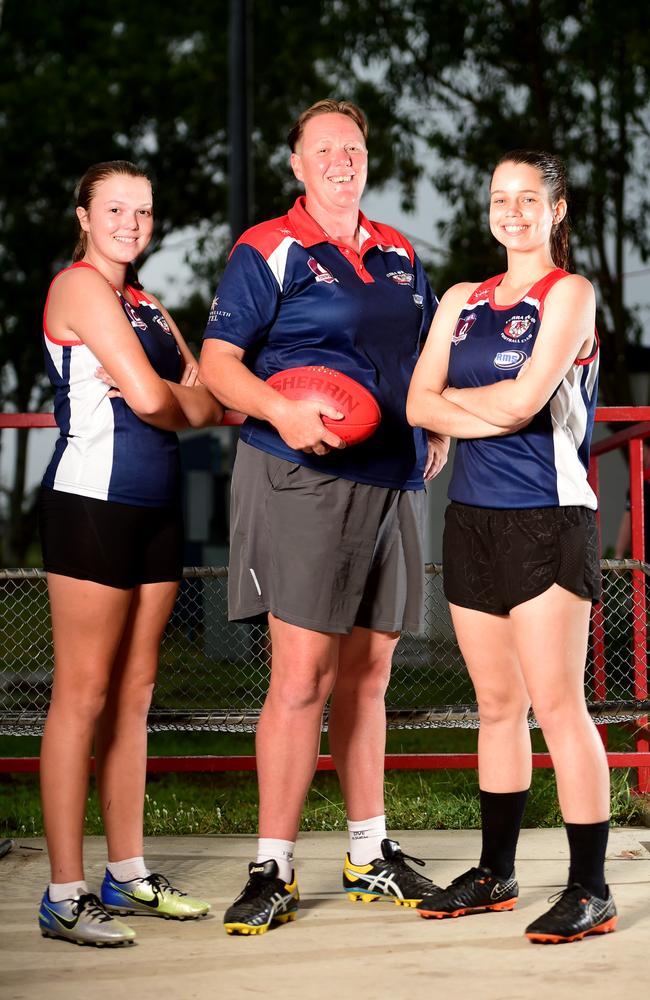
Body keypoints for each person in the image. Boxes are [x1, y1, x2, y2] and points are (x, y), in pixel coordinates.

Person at [199, 99, 448, 935]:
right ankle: (273, 863)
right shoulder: (268, 248)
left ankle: (369, 852)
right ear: (299, 165)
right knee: (301, 679)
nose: (342, 159)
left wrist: (434, 420)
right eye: (324, 149)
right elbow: (218, 364)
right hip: (302, 474)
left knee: (368, 676)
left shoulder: (400, 252)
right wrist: (280, 410)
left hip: (392, 481)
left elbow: (422, 358)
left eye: (353, 146)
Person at [406, 150, 617, 944]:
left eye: (530, 198)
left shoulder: (572, 296)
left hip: (547, 517)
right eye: (502, 198)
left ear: (557, 209)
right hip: (470, 517)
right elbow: (413, 400)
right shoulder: (461, 298)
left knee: (560, 707)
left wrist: (454, 406)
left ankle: (591, 888)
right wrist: (480, 407)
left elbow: (530, 401)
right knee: (497, 707)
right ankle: (496, 873)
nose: (514, 212)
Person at [38, 160, 223, 947]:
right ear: (84, 214)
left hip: (156, 509)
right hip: (91, 506)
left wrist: (170, 394)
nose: (130, 223)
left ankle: (128, 870)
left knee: (136, 695)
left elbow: (207, 399)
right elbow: (155, 399)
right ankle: (63, 893)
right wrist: (164, 394)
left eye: (143, 212)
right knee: (81, 695)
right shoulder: (77, 287)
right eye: (115, 208)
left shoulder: (146, 304)